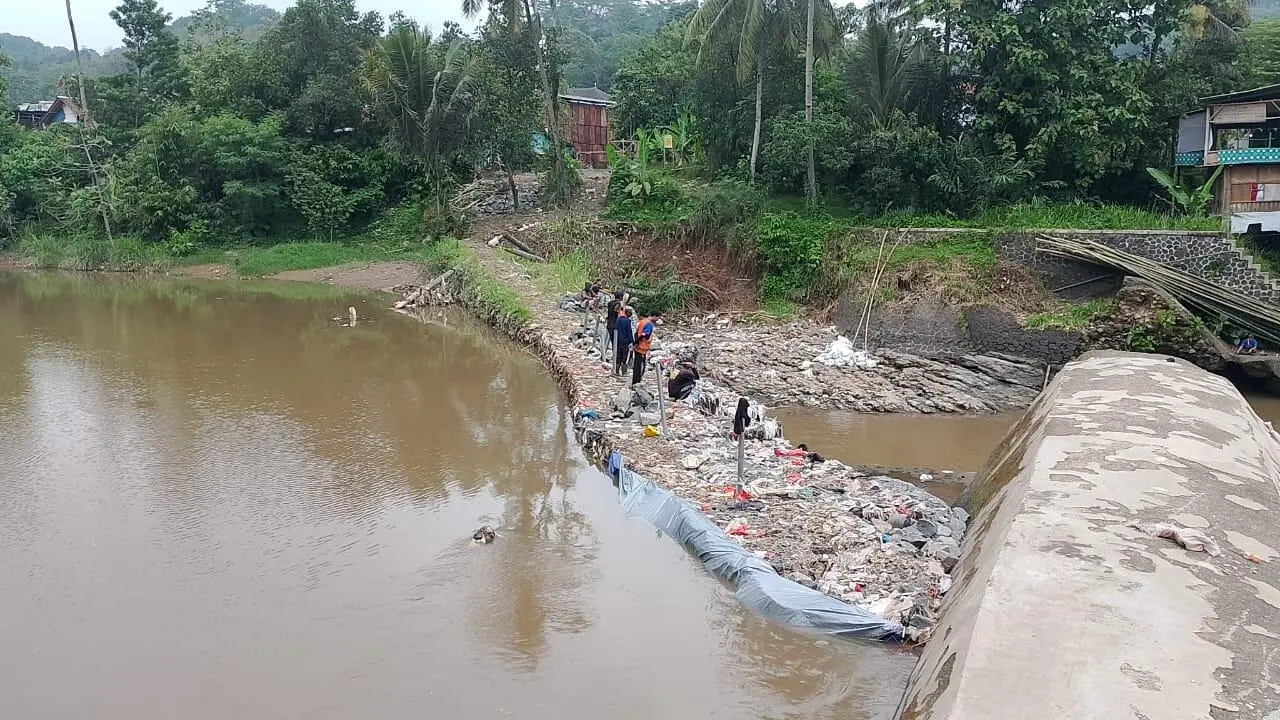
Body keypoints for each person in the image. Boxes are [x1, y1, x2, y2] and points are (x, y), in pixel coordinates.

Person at [633, 311, 661, 385]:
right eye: (658, 318)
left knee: (637, 365)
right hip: (642, 347)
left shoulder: (642, 321)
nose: (658, 320)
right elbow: (645, 335)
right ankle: (637, 382)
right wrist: (639, 342)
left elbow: (637, 333)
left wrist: (635, 342)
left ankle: (635, 381)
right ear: (654, 316)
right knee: (640, 367)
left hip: (638, 346)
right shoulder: (649, 324)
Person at [614, 307, 635, 376]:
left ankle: (616, 371)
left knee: (618, 356)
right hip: (626, 341)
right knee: (625, 357)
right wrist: (632, 341)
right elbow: (629, 332)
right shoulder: (628, 321)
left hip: (618, 341)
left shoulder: (618, 319)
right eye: (630, 313)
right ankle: (624, 372)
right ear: (628, 313)